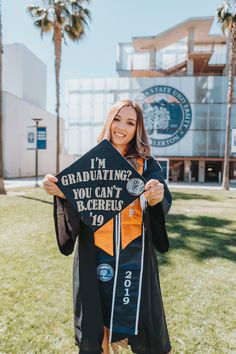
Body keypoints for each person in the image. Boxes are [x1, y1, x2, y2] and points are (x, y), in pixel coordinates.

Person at [43, 100, 172, 354]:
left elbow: (160, 195)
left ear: (138, 129)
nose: (121, 127)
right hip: (95, 252)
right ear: (108, 121)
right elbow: (73, 194)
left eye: (130, 122)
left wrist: (157, 196)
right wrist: (59, 192)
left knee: (147, 322)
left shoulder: (147, 164)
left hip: (135, 253)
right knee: (95, 320)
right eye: (117, 119)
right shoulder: (93, 161)